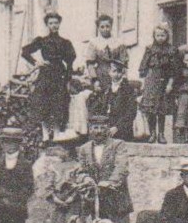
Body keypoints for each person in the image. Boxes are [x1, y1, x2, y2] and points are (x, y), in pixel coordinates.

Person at [76, 113, 138, 223]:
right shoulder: (84, 149)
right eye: (94, 127)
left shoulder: (118, 145)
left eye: (102, 127)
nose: (98, 131)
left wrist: (110, 182)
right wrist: (85, 177)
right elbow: (81, 170)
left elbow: (122, 167)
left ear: (108, 129)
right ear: (90, 129)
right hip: (96, 201)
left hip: (117, 201)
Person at [22, 12, 77, 140]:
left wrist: (68, 80)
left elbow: (69, 63)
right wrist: (37, 62)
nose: (54, 26)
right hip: (45, 75)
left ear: (59, 24)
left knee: (59, 104)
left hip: (59, 75)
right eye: (51, 23)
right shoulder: (42, 41)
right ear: (47, 25)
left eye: (56, 23)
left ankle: (57, 134)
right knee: (43, 104)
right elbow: (25, 52)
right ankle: (45, 135)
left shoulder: (65, 43)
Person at [137, 25, 179, 143]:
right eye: (158, 35)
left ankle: (161, 134)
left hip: (164, 81)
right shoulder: (150, 49)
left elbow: (174, 70)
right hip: (151, 80)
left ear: (167, 36)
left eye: (163, 35)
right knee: (151, 109)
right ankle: (152, 133)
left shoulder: (171, 50)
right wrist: (143, 83)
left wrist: (170, 84)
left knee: (161, 109)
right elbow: (143, 66)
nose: (160, 38)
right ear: (154, 36)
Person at [87, 68, 139, 141]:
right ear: (109, 72)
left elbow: (131, 112)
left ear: (123, 73)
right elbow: (97, 108)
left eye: (119, 72)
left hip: (122, 132)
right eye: (114, 71)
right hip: (105, 130)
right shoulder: (105, 89)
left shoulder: (128, 89)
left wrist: (117, 127)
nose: (117, 74)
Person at [84, 14, 129, 86]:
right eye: (102, 27)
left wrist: (123, 77)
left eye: (107, 26)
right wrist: (95, 79)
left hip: (116, 76)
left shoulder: (118, 42)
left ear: (111, 26)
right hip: (100, 76)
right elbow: (90, 64)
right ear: (98, 28)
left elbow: (124, 63)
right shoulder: (94, 43)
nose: (105, 29)